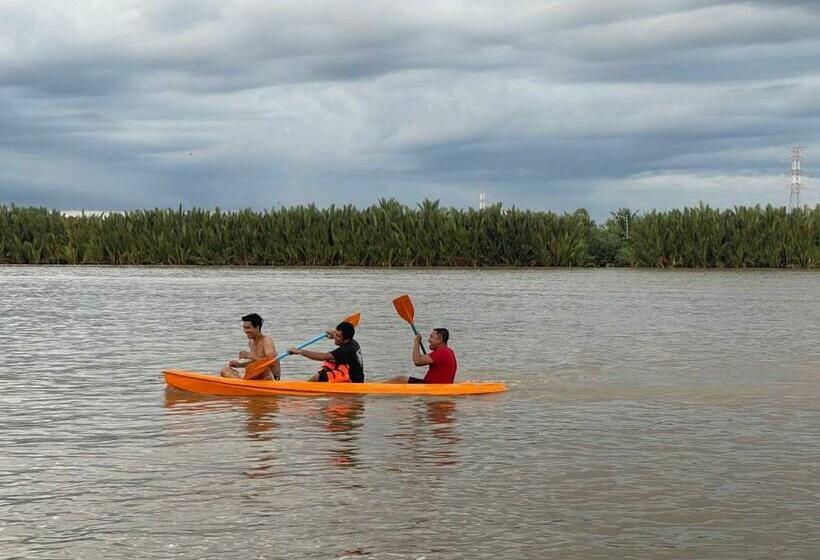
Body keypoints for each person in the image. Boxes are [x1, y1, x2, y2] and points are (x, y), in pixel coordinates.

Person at [288, 321, 364, 383]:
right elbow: (340, 336)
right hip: (353, 373)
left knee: (318, 377)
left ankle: (304, 388)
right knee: (328, 365)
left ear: (346, 339)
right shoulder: (352, 341)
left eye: (338, 336)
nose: (335, 338)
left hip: (352, 381)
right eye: (336, 334)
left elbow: (323, 357)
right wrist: (333, 334)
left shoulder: (346, 350)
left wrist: (300, 351)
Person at [219, 313, 281, 380]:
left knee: (261, 368)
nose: (245, 331)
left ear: (257, 327)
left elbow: (271, 362)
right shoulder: (251, 342)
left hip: (270, 376)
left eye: (248, 328)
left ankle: (242, 383)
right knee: (225, 370)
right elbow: (255, 361)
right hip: (257, 375)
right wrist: (239, 365)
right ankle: (242, 383)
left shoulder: (266, 340)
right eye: (244, 328)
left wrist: (249, 356)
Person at [386, 328, 457, 384]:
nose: (429, 340)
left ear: (440, 340)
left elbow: (417, 361)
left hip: (433, 386)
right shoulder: (448, 351)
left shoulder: (442, 352)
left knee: (400, 380)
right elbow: (423, 359)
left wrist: (416, 342)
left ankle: (376, 389)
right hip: (435, 385)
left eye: (431, 337)